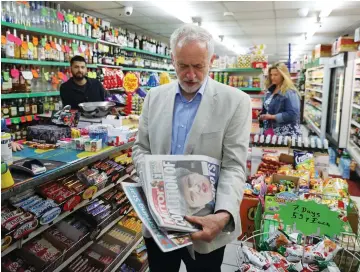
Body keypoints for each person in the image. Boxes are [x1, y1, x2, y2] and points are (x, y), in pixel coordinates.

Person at [132, 24, 251, 272]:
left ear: (211, 61)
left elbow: (233, 166)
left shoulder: (235, 102)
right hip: (159, 224)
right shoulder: (154, 97)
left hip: (206, 223)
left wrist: (224, 215)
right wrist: (150, 176)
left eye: (198, 66)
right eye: (183, 66)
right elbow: (141, 147)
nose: (190, 75)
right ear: (172, 59)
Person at [259, 62, 302, 136]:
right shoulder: (270, 90)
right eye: (271, 75)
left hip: (285, 134)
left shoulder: (290, 92)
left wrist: (272, 117)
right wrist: (262, 113)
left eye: (276, 75)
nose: (272, 77)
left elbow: (293, 114)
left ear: (283, 75)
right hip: (271, 131)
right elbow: (269, 107)